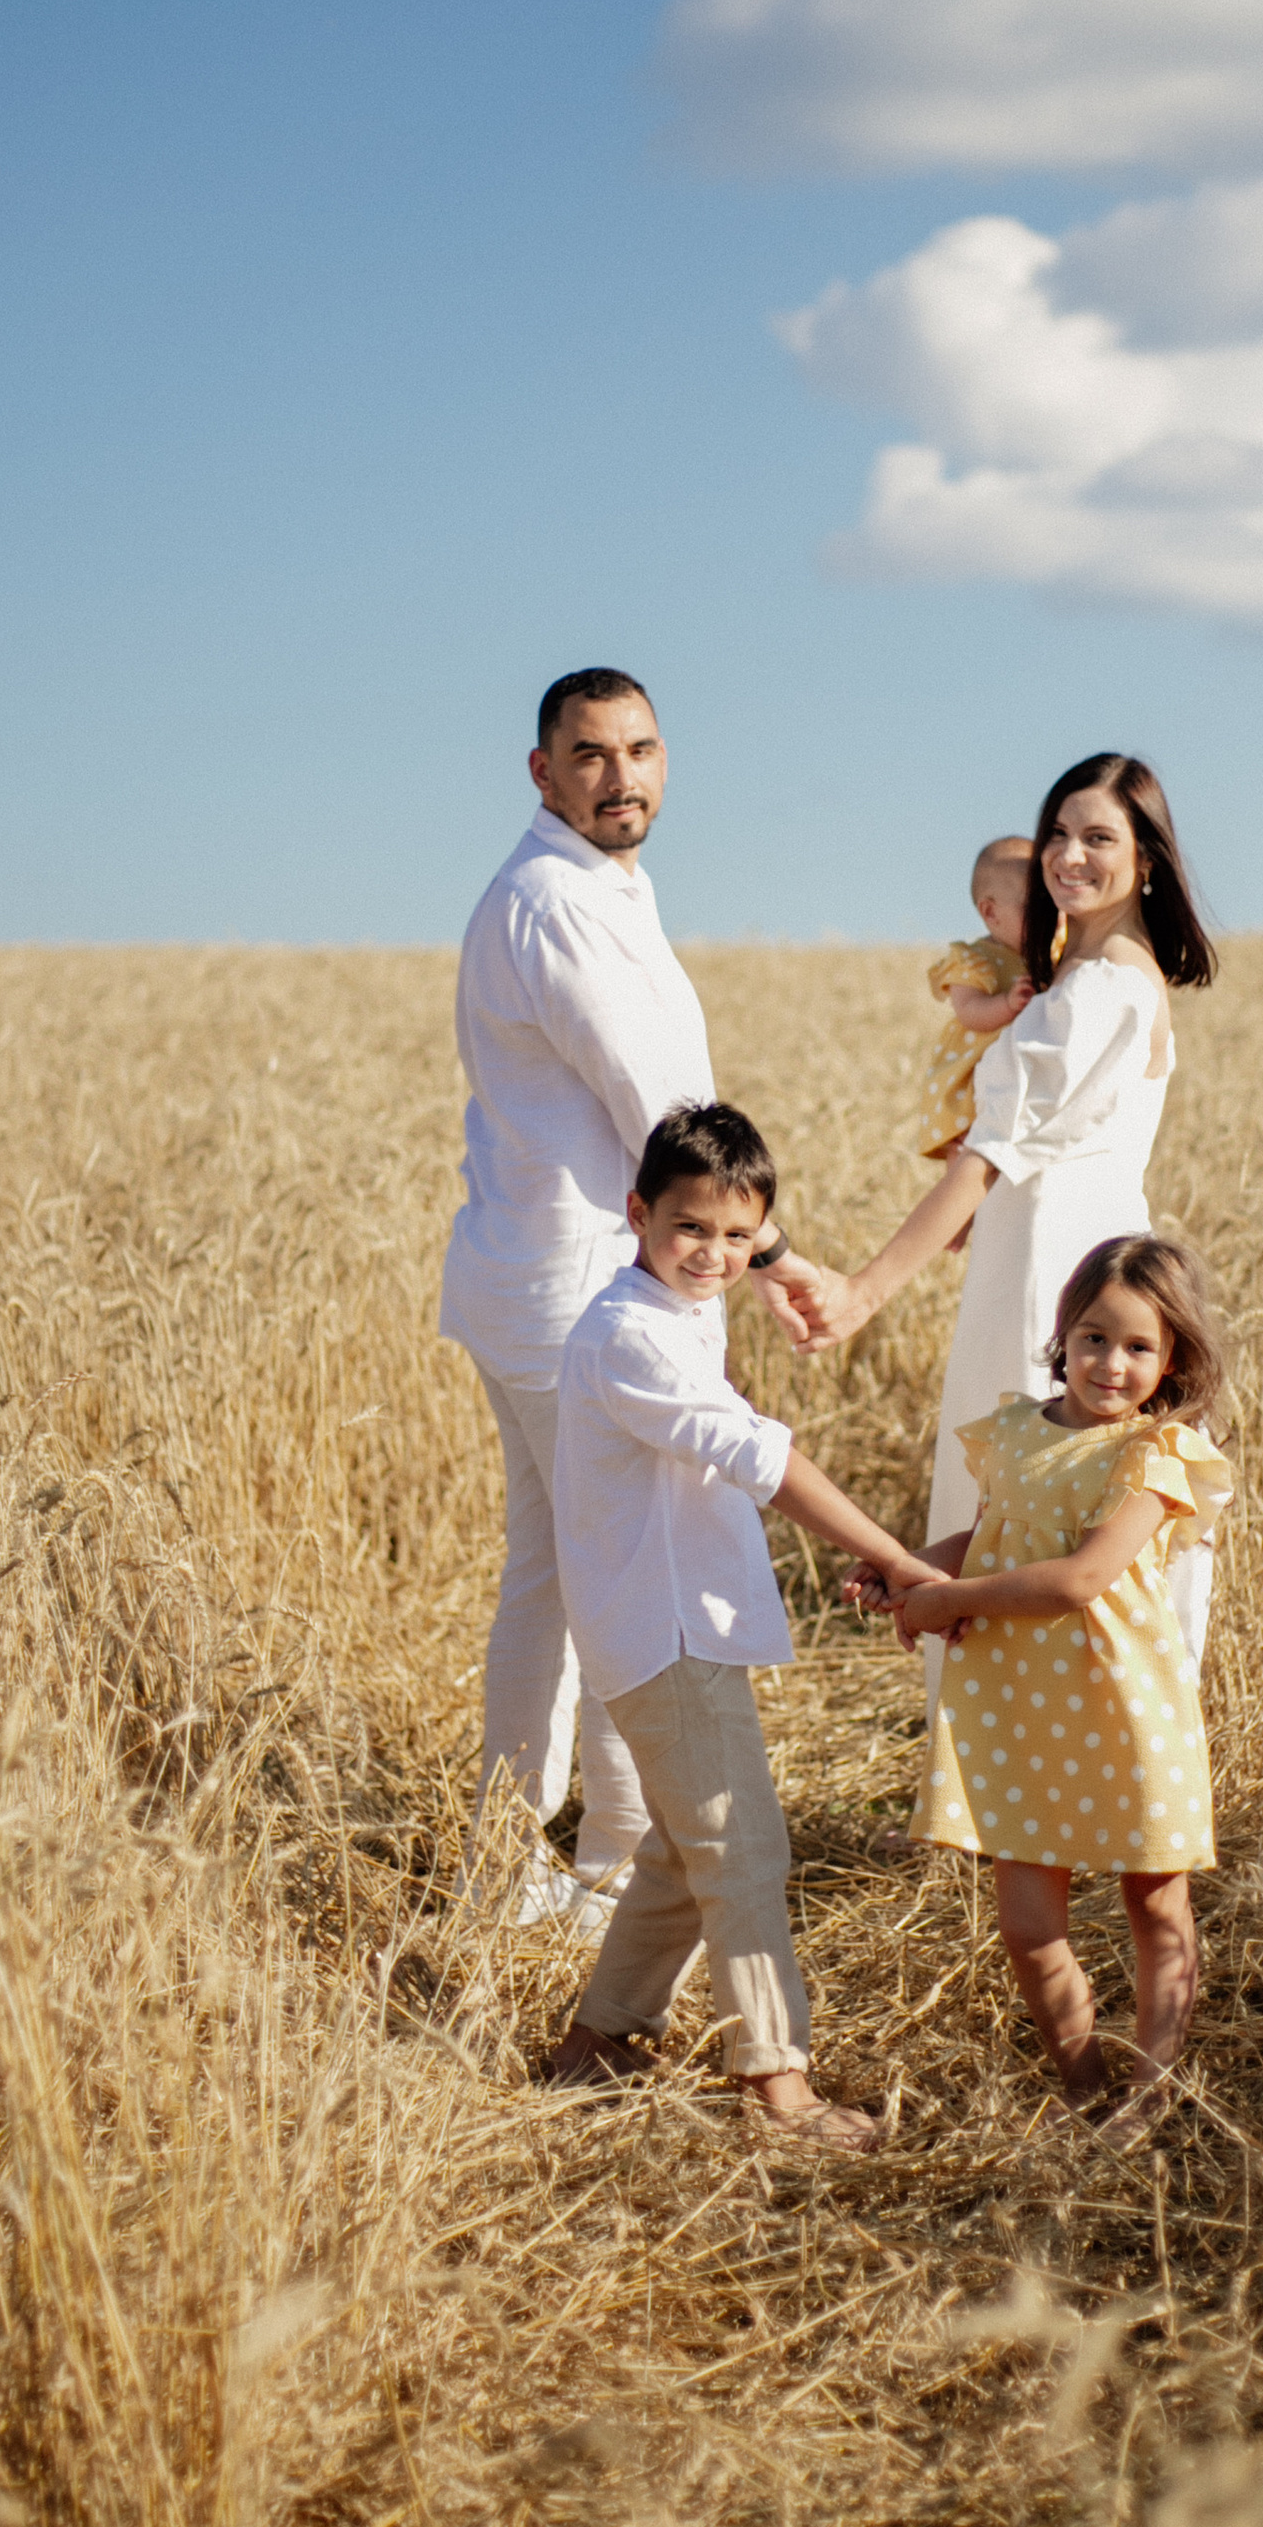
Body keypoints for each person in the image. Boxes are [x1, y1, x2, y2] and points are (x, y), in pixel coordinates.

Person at [439, 667, 818, 1927]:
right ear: (541, 771)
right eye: (591, 756)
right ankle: (606, 1856)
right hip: (573, 1298)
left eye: (641, 750)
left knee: (551, 1570)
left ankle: (509, 1858)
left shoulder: (597, 889)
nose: (622, 777)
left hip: (534, 1282)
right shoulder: (556, 903)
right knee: (609, 1576)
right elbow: (662, 1115)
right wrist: (765, 1254)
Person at [546, 1103, 927, 2148]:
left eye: (735, 1235)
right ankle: (777, 2089)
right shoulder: (629, 1338)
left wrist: (777, 1257)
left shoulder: (676, 1308)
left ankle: (595, 2051)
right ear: (637, 1215)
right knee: (745, 1851)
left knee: (683, 1848)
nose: (712, 1254)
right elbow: (761, 1461)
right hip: (660, 1630)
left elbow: (743, 1257)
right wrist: (890, 1555)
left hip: (669, 1624)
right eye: (688, 1230)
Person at [785, 754, 1218, 1579]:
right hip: (1084, 1254)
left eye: (1099, 837)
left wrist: (859, 1293)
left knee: (1025, 1507)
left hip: (1050, 1272)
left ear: (1148, 861)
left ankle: (1008, 1707)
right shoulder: (1104, 979)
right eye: (1058, 832)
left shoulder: (1096, 993)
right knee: (1058, 1512)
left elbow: (991, 1155)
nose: (1068, 855)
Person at [880, 1233, 1231, 2115]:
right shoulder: (1014, 1434)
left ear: (1173, 1357)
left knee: (1155, 1909)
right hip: (1022, 1712)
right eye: (1094, 1338)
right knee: (1029, 1929)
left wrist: (948, 1601)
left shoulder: (1157, 1455)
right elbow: (998, 1539)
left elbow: (1080, 1579)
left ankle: (1152, 2099)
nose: (1111, 1363)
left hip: (1126, 1708)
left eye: (1139, 1347)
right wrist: (909, 1571)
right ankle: (1086, 2089)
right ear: (1064, 1335)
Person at [915, 836, 1034, 1160]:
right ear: (990, 911)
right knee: (967, 1161)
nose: (1046, 917)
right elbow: (968, 1011)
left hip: (1012, 1086)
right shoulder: (975, 959)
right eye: (1032, 907)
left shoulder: (1049, 956)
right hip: (968, 1085)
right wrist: (1006, 1005)